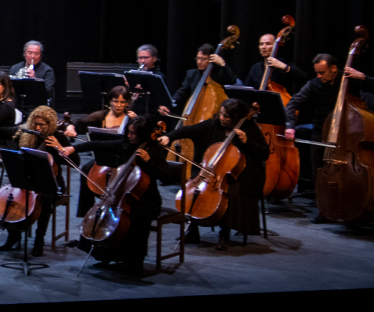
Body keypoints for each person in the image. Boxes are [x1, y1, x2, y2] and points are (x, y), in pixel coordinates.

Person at [60, 115, 172, 275]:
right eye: (129, 131)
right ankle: (108, 256)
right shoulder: (125, 145)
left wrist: (149, 162)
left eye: (134, 133)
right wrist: (73, 148)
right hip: (122, 197)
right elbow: (99, 144)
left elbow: (167, 177)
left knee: (137, 218)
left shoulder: (154, 150)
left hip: (147, 200)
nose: (129, 135)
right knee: (107, 216)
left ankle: (134, 263)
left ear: (143, 134)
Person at [283, 53, 374, 224]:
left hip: (349, 135)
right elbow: (293, 103)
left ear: (334, 69)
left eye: (322, 73)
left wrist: (362, 77)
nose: (318, 76)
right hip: (322, 132)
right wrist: (290, 126)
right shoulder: (313, 84)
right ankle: (324, 209)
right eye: (317, 72)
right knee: (320, 172)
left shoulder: (349, 79)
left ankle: (352, 207)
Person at [158, 99, 269, 249]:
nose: (221, 118)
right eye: (221, 114)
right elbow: (189, 130)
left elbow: (264, 153)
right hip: (210, 170)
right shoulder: (214, 124)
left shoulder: (249, 128)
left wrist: (247, 141)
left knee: (230, 191)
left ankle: (225, 234)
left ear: (236, 118)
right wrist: (169, 137)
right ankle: (192, 230)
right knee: (194, 189)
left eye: (226, 116)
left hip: (243, 174)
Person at [0, 105, 78, 256]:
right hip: (29, 179)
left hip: (52, 183)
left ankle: (39, 239)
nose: (38, 127)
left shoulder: (58, 137)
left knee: (45, 199)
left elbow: (75, 162)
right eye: (36, 124)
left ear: (50, 125)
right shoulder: (29, 135)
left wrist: (59, 147)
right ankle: (14, 236)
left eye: (42, 125)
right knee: (12, 197)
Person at [66, 86, 138, 217]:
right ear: (110, 101)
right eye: (115, 101)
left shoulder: (130, 119)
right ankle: (85, 213)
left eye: (123, 102)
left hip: (123, 159)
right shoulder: (101, 115)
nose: (118, 105)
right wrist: (70, 127)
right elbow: (78, 123)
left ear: (128, 103)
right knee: (86, 170)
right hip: (103, 157)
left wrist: (134, 121)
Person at [164, 43, 237, 117]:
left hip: (212, 115)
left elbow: (232, 80)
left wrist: (223, 64)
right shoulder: (191, 74)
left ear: (211, 59)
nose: (199, 62)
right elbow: (181, 93)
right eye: (197, 58)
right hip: (195, 113)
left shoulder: (218, 73)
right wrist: (169, 105)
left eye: (203, 59)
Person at [244, 34, 308, 93]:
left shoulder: (283, 63)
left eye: (268, 44)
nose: (263, 47)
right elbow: (247, 90)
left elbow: (303, 78)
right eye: (261, 44)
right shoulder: (255, 68)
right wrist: (252, 102)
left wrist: (284, 67)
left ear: (275, 45)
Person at [8, 40, 57, 107]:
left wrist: (34, 80)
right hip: (17, 105)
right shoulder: (14, 68)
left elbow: (49, 93)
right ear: (25, 54)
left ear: (40, 55)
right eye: (30, 53)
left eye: (36, 54)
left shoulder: (48, 70)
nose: (33, 56)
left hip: (37, 107)